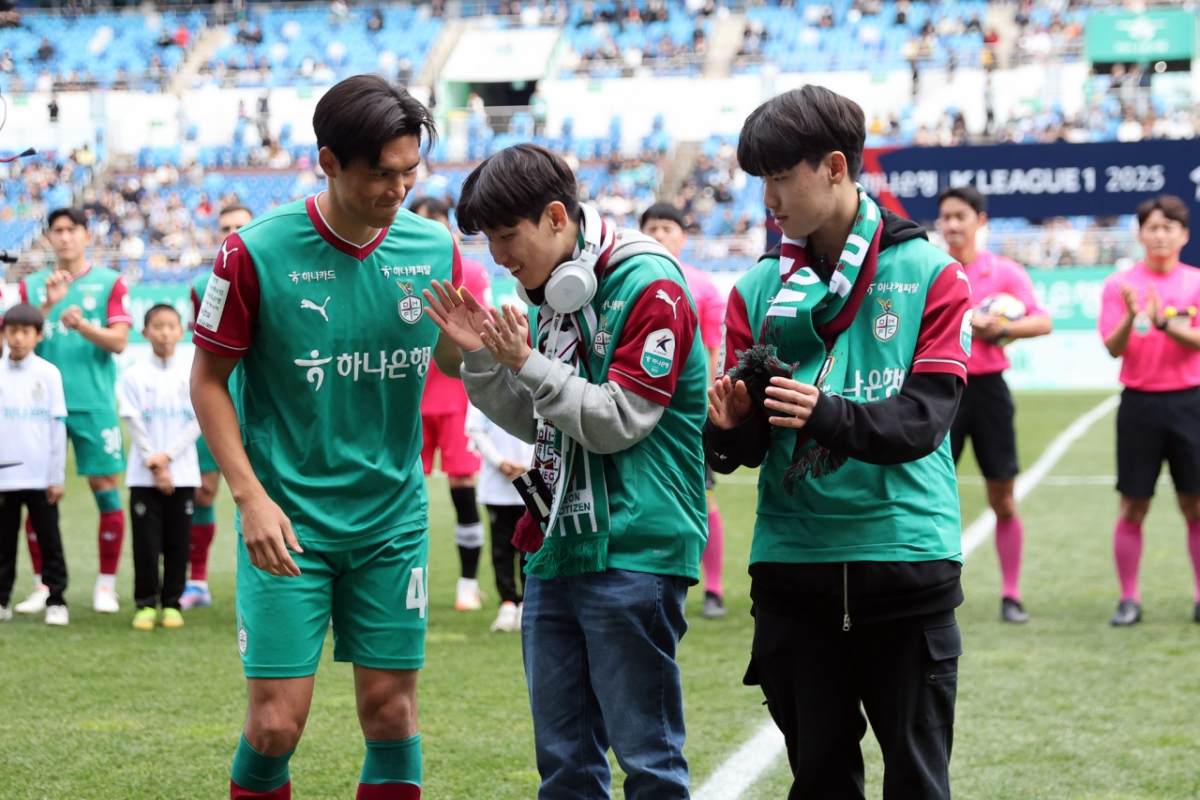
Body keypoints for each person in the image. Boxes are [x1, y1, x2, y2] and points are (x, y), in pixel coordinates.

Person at [191, 75, 457, 800]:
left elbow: (453, 363)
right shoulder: (252, 253)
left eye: (411, 171)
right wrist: (249, 499)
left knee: (391, 711)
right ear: (329, 161)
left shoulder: (435, 248)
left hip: (391, 520)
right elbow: (207, 382)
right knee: (276, 724)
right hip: (288, 522)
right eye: (382, 173)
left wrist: (473, 348)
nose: (399, 188)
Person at [705, 86, 972, 800]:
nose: (768, 200)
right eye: (760, 181)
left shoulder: (931, 275)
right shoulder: (756, 289)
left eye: (779, 177)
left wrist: (824, 412)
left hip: (907, 566)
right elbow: (751, 445)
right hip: (794, 573)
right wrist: (726, 429)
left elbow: (920, 425)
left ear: (832, 166)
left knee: (918, 784)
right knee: (819, 784)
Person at [425, 143, 707, 799]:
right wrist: (484, 361)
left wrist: (527, 364)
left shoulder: (649, 283)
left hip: (636, 545)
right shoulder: (549, 290)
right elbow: (544, 421)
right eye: (488, 239)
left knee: (649, 760)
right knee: (564, 761)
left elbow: (615, 421)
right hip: (557, 542)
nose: (497, 255)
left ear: (556, 217)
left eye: (505, 235)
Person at [937, 186, 1052, 624]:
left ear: (979, 221)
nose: (951, 225)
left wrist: (998, 327)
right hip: (941, 391)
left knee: (1002, 497)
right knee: (934, 496)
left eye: (960, 216)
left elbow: (1042, 321)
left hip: (988, 392)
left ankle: (1011, 594)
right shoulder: (932, 272)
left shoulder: (1004, 273)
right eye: (945, 217)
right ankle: (938, 588)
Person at [17, 207, 132, 615]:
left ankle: (106, 585)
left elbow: (118, 341)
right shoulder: (31, 287)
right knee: (35, 493)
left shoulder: (110, 282)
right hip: (37, 407)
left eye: (72, 230)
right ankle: (43, 586)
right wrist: (48, 307)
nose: (64, 237)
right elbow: (16, 342)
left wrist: (82, 325)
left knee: (105, 488)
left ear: (86, 235)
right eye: (57, 231)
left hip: (93, 403)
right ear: (48, 239)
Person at [1098, 194, 1200, 627]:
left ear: (1184, 235)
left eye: (1168, 227)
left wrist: (1162, 324)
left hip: (1190, 402)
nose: (1160, 235)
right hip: (1139, 403)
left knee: (1193, 504)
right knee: (1133, 505)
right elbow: (1112, 348)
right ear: (1140, 233)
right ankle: (1129, 599)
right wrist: (1132, 316)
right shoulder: (1118, 285)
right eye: (1152, 227)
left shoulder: (1195, 282)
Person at [640, 202, 729, 618]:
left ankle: (712, 588)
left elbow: (713, 351)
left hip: (689, 414)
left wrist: (704, 407)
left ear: (683, 236)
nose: (659, 234)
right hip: (639, 406)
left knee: (703, 496)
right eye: (651, 227)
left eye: (667, 227)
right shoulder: (631, 281)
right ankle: (655, 579)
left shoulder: (703, 286)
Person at [411, 196, 491, 612]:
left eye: (441, 223)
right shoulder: (399, 273)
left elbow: (481, 336)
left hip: (457, 399)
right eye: (425, 223)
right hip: (408, 400)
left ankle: (467, 583)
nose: (435, 231)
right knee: (407, 494)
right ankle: (407, 586)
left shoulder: (472, 274)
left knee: (463, 488)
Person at [182, 203, 255, 610]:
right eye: (225, 227)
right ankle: (197, 581)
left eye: (240, 226)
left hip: (266, 400)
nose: (232, 233)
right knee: (205, 489)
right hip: (221, 395)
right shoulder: (200, 283)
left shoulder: (273, 271)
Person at [118, 305, 201, 631]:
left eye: (171, 326)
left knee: (179, 543)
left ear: (182, 331)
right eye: (157, 326)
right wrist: (154, 462)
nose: (165, 332)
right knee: (146, 544)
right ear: (145, 332)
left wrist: (167, 458)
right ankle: (145, 604)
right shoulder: (133, 374)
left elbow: (198, 420)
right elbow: (134, 422)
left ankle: (172, 603)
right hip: (143, 475)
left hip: (182, 474)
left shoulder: (193, 372)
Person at [0, 304, 69, 627]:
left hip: (40, 475)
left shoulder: (49, 373)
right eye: (12, 331)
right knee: (3, 543)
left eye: (25, 332)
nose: (18, 339)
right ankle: (2, 600)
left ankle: (56, 600)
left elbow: (57, 427)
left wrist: (56, 476)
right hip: (4, 477)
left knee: (49, 540)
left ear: (38, 336)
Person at [465, 402, 534, 633]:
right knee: (501, 548)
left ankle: (528, 602)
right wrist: (499, 462)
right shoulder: (484, 380)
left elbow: (549, 426)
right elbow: (476, 429)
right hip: (496, 485)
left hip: (532, 481)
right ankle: (507, 602)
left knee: (531, 547)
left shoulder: (536, 379)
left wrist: (527, 465)